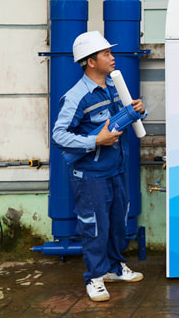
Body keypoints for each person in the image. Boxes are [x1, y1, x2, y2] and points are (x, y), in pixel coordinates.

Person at [52, 30, 145, 302]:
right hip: (90, 176)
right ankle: (95, 277)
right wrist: (96, 140)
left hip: (115, 170)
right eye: (106, 54)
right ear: (91, 61)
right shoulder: (77, 96)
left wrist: (138, 109)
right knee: (95, 227)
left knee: (117, 224)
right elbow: (59, 135)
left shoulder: (114, 87)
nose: (112, 57)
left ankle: (115, 268)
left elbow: (127, 118)